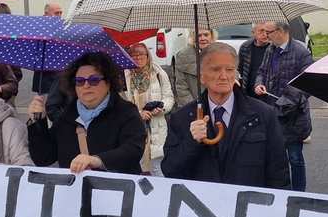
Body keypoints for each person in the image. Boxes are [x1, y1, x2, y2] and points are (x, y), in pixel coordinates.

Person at [162, 42, 290, 188]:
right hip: (202, 206)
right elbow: (170, 171)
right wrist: (191, 141)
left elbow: (279, 173)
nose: (224, 76)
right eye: (216, 69)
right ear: (202, 77)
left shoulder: (263, 115)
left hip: (248, 206)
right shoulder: (182, 118)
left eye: (229, 69)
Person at [27, 52, 146, 174]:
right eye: (79, 81)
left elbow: (133, 150)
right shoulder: (66, 117)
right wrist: (38, 121)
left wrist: (97, 160)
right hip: (75, 190)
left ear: (108, 83)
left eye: (94, 80)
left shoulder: (126, 112)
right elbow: (43, 158)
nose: (86, 85)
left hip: (117, 190)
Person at [256, 21, 313, 192]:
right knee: (273, 157)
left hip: (293, 116)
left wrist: (285, 103)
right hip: (271, 112)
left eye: (269, 32)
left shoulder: (301, 52)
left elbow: (309, 84)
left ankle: (298, 193)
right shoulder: (270, 50)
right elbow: (261, 71)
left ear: (280, 31)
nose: (265, 35)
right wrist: (258, 84)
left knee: (295, 158)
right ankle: (278, 190)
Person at [123, 43, 174, 175]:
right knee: (138, 170)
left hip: (157, 129)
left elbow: (169, 98)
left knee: (158, 170)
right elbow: (122, 104)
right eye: (134, 55)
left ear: (147, 56)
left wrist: (160, 108)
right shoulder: (124, 76)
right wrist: (138, 114)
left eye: (141, 54)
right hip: (134, 128)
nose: (138, 58)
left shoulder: (159, 74)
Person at [173, 28, 214, 110]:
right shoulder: (183, 55)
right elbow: (181, 86)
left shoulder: (220, 52)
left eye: (206, 35)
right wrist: (194, 107)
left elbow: (233, 73)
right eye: (198, 35)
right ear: (193, 37)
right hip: (194, 106)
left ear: (212, 36)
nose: (203, 38)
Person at [237, 22, 273, 98]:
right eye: (261, 31)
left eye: (267, 31)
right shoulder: (246, 47)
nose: (265, 34)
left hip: (266, 92)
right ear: (253, 32)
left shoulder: (273, 48)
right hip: (249, 93)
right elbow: (240, 69)